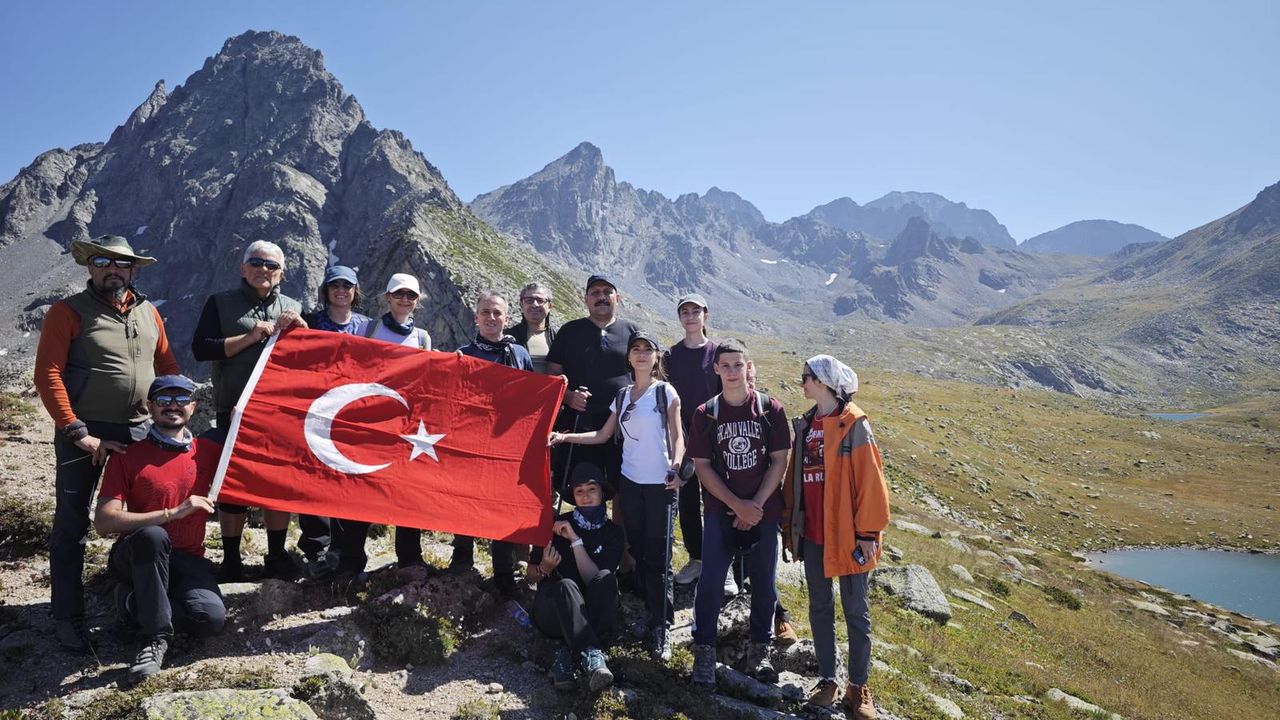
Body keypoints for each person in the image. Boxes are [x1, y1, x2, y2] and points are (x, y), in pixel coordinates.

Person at [34, 234, 181, 652]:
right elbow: (48, 374)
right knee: (72, 524)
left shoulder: (149, 313)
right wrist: (76, 430)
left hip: (138, 430)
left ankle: (135, 606)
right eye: (102, 261)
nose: (111, 269)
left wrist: (173, 411)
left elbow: (167, 365)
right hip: (83, 429)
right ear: (89, 267)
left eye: (121, 263)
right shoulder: (68, 312)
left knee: (143, 522)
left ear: (134, 270)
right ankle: (67, 616)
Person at [550, 330, 685, 661]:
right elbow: (602, 435)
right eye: (635, 349)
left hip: (660, 484)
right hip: (630, 482)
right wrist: (565, 438)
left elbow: (679, 437)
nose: (640, 355)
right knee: (637, 549)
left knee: (659, 555)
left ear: (656, 358)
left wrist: (678, 467)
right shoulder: (623, 395)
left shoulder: (665, 392)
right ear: (628, 357)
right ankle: (651, 615)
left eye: (647, 350)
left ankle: (661, 626)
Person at [93, 375, 226, 684]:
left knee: (211, 619)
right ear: (150, 407)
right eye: (164, 400)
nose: (173, 406)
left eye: (181, 400)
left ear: (193, 407)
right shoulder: (128, 455)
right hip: (139, 553)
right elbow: (104, 521)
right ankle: (155, 639)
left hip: (187, 558)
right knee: (154, 536)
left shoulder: (207, 451)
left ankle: (134, 603)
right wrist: (171, 513)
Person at [191, 240, 307, 582]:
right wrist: (249, 337)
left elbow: (311, 356)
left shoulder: (293, 306)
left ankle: (275, 555)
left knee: (276, 485)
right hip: (235, 410)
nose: (263, 270)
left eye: (271, 266)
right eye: (256, 263)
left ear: (281, 274)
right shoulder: (221, 303)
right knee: (233, 484)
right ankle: (230, 560)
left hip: (278, 415)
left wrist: (302, 328)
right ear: (243, 268)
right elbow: (200, 348)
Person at [782, 356, 890, 718]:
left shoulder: (854, 423)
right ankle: (828, 679)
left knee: (856, 612)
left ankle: (858, 688)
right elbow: (793, 482)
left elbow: (872, 482)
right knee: (819, 606)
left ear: (824, 381)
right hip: (813, 533)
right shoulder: (806, 423)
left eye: (807, 378)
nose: (802, 384)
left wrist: (868, 533)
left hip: (850, 535)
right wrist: (791, 528)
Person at [686, 339, 791, 688]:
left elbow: (779, 460)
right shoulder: (706, 413)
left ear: (749, 366)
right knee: (712, 582)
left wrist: (756, 505)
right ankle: (703, 651)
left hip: (764, 512)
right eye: (725, 365)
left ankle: (759, 652)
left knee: (764, 584)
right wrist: (737, 505)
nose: (732, 371)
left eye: (738, 365)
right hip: (720, 511)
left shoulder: (769, 408)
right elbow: (702, 466)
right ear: (716, 369)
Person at [452, 290, 533, 598]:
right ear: (476, 317)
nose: (491, 317)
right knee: (465, 500)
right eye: (485, 312)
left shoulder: (519, 354)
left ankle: (503, 570)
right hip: (470, 442)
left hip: (505, 445)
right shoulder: (463, 354)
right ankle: (462, 559)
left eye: (497, 313)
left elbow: (531, 397)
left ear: (507, 319)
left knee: (500, 506)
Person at [350, 272, 433, 569]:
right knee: (360, 490)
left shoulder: (422, 338)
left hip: (405, 426)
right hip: (369, 422)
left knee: (406, 491)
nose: (405, 300)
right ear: (387, 297)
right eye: (399, 294)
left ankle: (409, 558)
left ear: (418, 301)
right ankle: (351, 560)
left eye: (411, 295)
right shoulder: (366, 329)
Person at [298, 266, 373, 579]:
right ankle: (318, 551)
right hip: (317, 413)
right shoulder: (310, 322)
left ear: (356, 291)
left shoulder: (368, 327)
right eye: (335, 285)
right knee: (314, 481)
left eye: (347, 285)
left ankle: (351, 553)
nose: (341, 290)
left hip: (356, 416)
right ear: (326, 290)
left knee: (355, 483)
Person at [527, 462, 622, 693]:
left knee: (607, 578)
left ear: (602, 493)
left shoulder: (613, 532)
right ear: (573, 496)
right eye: (579, 492)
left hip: (590, 611)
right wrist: (545, 568)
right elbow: (530, 576)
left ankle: (566, 655)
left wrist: (575, 541)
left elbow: (595, 579)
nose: (586, 497)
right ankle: (591, 656)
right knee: (566, 585)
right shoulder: (555, 525)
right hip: (552, 611)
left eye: (592, 490)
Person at [544, 275, 640, 494]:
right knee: (581, 483)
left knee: (623, 484)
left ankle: (618, 529)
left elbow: (646, 374)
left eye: (607, 292)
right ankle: (582, 527)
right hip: (580, 423)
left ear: (618, 298)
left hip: (624, 423)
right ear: (585, 299)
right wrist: (569, 397)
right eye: (595, 293)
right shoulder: (570, 331)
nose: (601, 297)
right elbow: (553, 374)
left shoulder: (633, 332)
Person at [509, 282, 557, 375]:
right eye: (529, 300)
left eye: (540, 300)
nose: (535, 305)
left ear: (550, 306)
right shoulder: (508, 337)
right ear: (521, 305)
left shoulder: (559, 338)